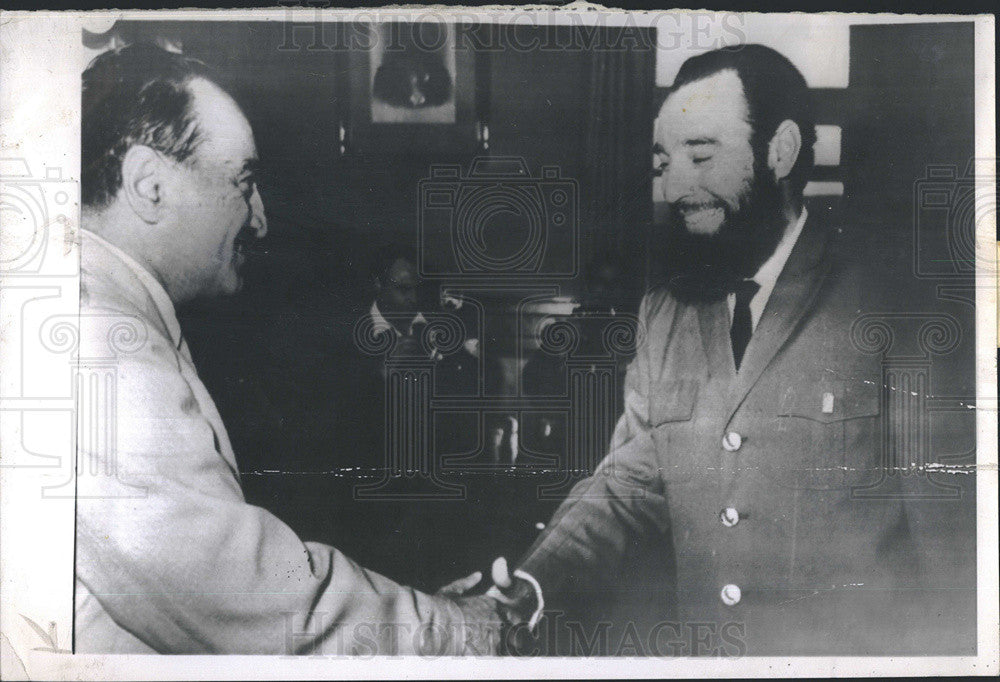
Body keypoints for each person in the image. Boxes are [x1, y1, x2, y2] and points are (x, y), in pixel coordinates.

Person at [486, 45, 976, 655]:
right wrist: (537, 584)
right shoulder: (662, 313)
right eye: (664, 161)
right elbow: (629, 484)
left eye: (701, 155)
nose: (676, 185)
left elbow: (956, 557)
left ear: (781, 150)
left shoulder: (901, 306)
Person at [74, 42, 499, 655]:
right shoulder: (102, 345)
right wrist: (454, 631)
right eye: (244, 183)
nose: (260, 220)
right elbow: (250, 599)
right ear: (150, 185)